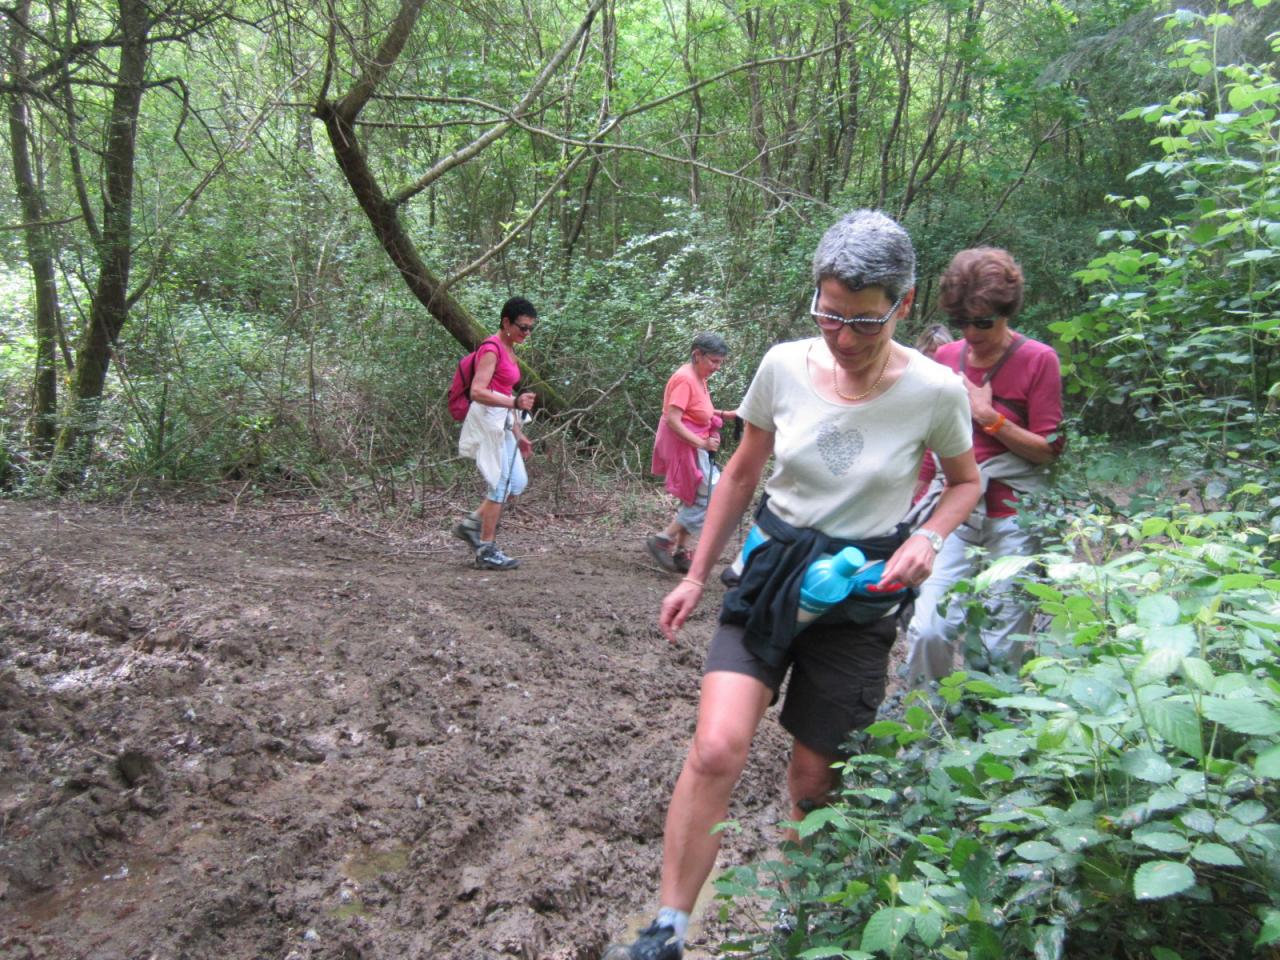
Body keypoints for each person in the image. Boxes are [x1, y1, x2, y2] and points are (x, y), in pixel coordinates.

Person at [603, 210, 982, 960]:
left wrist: (927, 537)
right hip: (771, 571)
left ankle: (800, 916)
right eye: (828, 312)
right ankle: (668, 926)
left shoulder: (937, 390)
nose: (842, 337)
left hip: (860, 592)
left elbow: (964, 483)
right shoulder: (782, 365)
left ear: (903, 306)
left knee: (814, 779)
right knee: (716, 747)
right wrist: (698, 574)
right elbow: (742, 470)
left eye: (864, 323)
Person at [903, 247, 1064, 685]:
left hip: (1014, 517)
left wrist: (989, 417)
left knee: (998, 644)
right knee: (928, 630)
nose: (972, 333)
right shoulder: (945, 358)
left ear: (1006, 312)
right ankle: (927, 734)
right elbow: (929, 444)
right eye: (963, 323)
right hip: (954, 512)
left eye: (983, 322)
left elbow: (1049, 451)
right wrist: (913, 505)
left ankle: (983, 739)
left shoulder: (1038, 359)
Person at [452, 296, 539, 570]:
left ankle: (471, 526)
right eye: (522, 327)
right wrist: (514, 403)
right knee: (499, 485)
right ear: (506, 322)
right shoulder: (492, 348)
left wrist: (518, 431)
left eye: (530, 328)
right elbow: (478, 391)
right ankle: (486, 550)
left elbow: (504, 391)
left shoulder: (510, 348)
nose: (526, 333)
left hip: (503, 422)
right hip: (487, 421)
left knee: (517, 483)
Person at [646, 333, 736, 574]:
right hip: (685, 444)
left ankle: (682, 551)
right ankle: (664, 539)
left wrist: (722, 413)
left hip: (693, 444)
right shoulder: (685, 378)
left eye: (720, 362)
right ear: (697, 354)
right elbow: (673, 419)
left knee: (697, 495)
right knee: (711, 494)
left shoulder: (698, 375)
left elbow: (694, 409)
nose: (717, 367)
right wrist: (702, 443)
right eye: (714, 361)